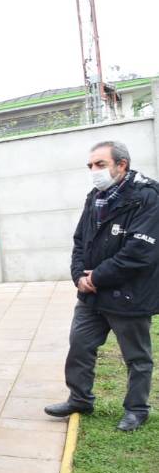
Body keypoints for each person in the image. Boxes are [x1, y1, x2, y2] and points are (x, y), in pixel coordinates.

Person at [45, 141, 159, 431]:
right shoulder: (95, 197)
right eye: (91, 166)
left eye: (100, 165)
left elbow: (139, 252)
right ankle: (80, 399)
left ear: (122, 165)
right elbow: (80, 241)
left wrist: (96, 277)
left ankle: (136, 409)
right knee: (80, 347)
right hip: (91, 296)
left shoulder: (147, 197)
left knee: (136, 357)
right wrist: (78, 277)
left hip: (129, 295)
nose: (94, 171)